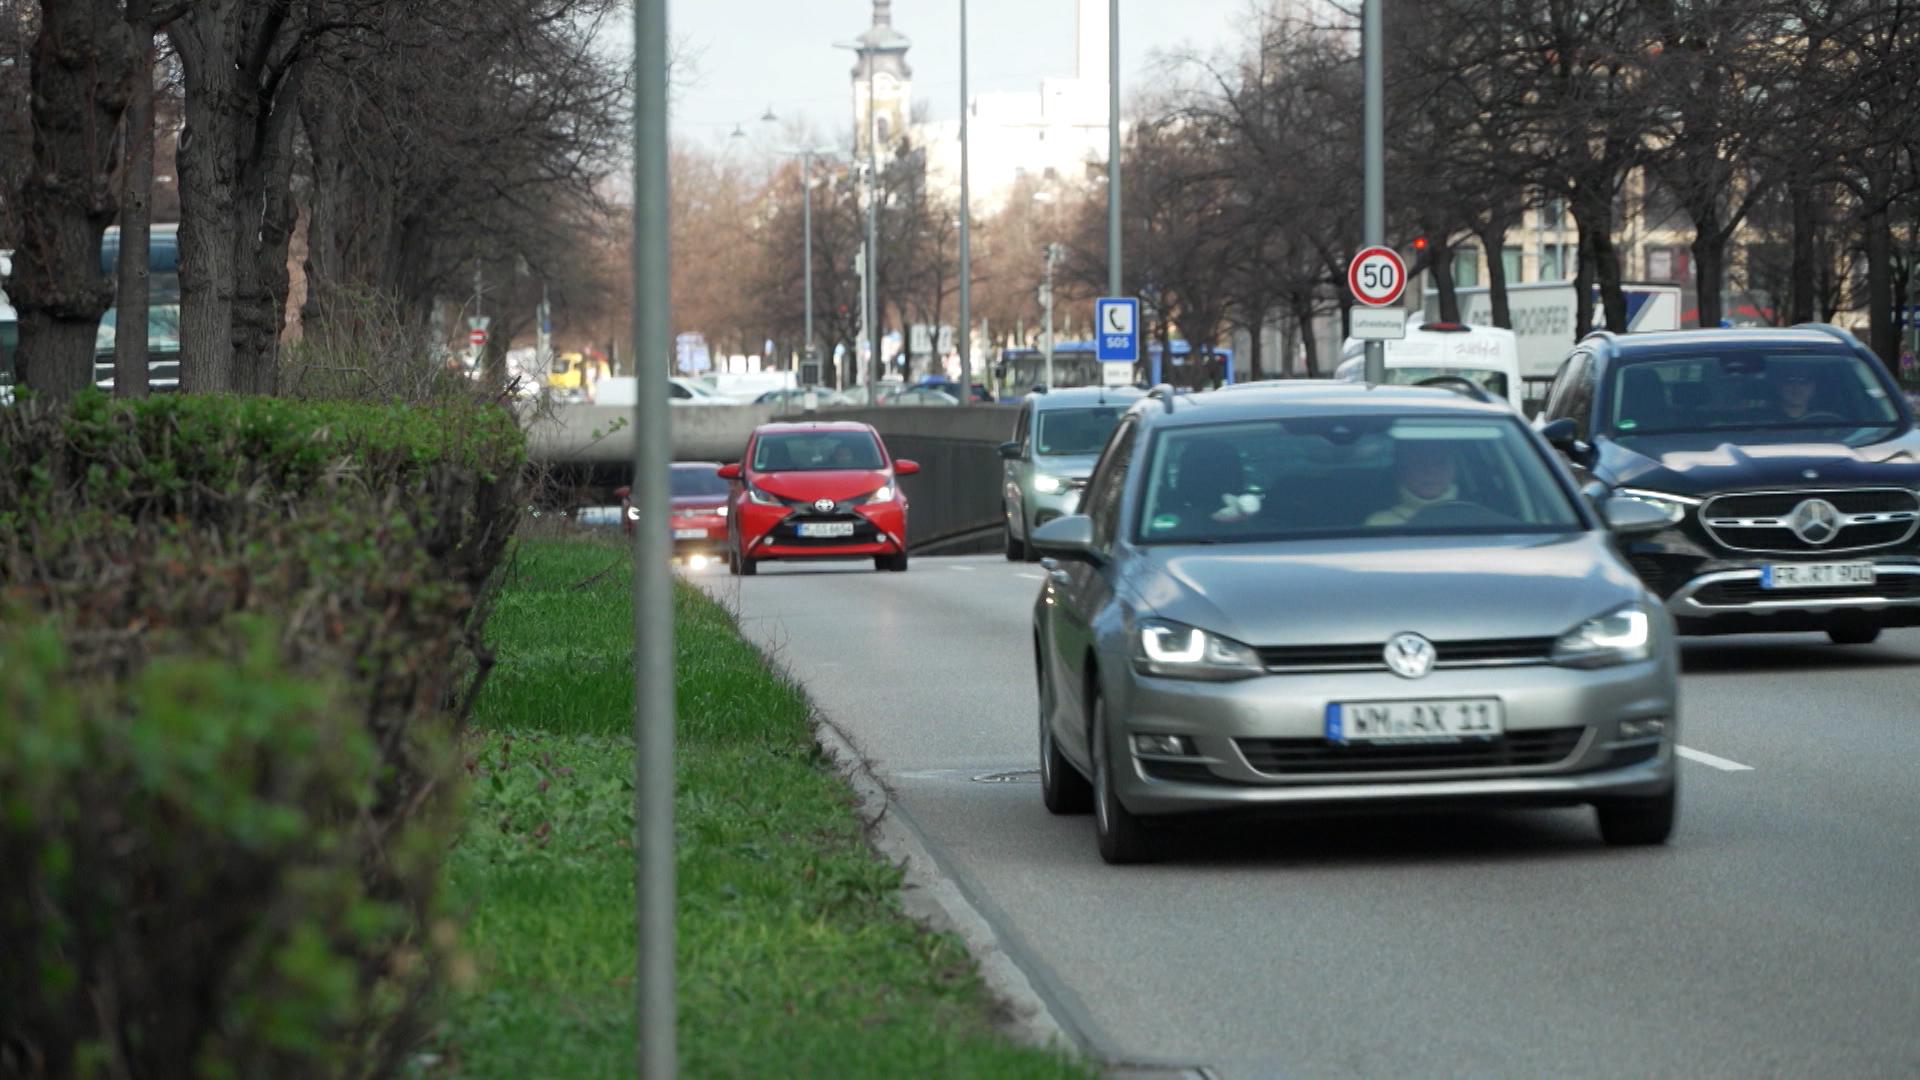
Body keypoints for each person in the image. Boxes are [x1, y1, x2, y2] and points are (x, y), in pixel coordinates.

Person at [1366, 440, 1464, 526]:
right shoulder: (1379, 523)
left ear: (1454, 471)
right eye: (1419, 463)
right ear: (1401, 471)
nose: (1430, 471)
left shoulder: (1475, 518)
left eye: (1440, 463)